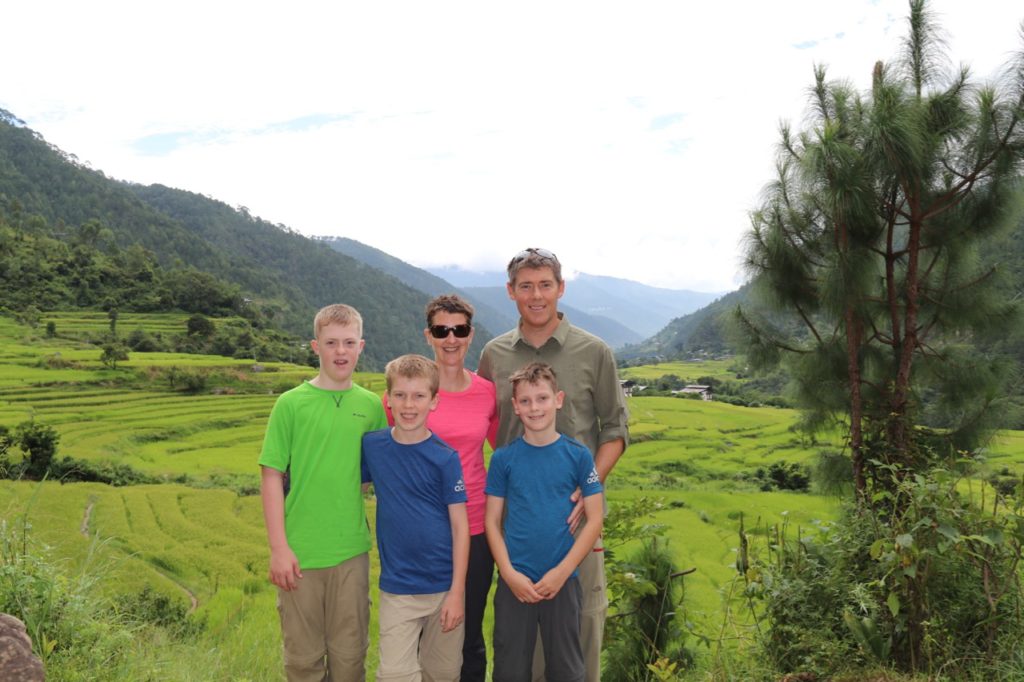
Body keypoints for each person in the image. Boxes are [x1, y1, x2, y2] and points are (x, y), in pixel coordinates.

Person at [477, 247, 629, 682]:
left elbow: (615, 429)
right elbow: (488, 423)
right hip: (517, 523)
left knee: (577, 640)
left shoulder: (593, 351)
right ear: (511, 292)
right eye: (526, 286)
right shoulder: (494, 353)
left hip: (576, 522)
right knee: (516, 643)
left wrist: (589, 486)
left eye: (546, 285)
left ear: (561, 288)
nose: (537, 295)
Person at [259, 303, 387, 681]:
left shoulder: (370, 407)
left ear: (361, 346)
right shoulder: (290, 405)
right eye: (332, 342)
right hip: (300, 554)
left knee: (350, 658)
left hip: (351, 551)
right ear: (316, 346)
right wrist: (279, 548)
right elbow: (270, 477)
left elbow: (371, 475)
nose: (341, 351)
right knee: (302, 660)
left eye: (349, 342)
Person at [383, 294, 498, 681]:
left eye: (459, 330)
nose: (451, 339)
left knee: (467, 631)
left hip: (475, 526)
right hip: (421, 531)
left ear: (471, 335)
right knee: (414, 634)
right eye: (441, 330)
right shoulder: (411, 392)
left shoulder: (486, 392)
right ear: (428, 335)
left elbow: (505, 449)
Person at [484, 362, 605, 682]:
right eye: (525, 401)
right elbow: (492, 521)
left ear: (558, 399)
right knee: (509, 669)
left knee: (567, 669)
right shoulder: (503, 459)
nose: (534, 407)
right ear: (515, 406)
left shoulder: (578, 456)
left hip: (563, 583)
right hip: (514, 583)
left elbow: (594, 520)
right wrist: (508, 574)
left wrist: (561, 572)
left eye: (542, 398)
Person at [363, 354, 470, 682]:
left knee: (444, 673)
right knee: (395, 674)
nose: (409, 405)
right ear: (388, 400)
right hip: (398, 587)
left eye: (419, 396)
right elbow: (346, 482)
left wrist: (456, 592)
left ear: (434, 401)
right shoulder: (373, 446)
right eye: (400, 395)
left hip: (443, 588)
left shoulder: (445, 458)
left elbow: (460, 526)